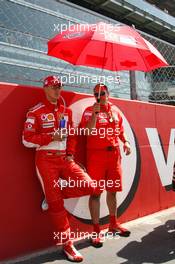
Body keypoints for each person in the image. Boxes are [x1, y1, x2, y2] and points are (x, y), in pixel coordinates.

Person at [22, 75, 97, 262]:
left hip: (65, 159)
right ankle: (68, 245)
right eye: (54, 87)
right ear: (45, 88)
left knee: (91, 186)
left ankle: (53, 194)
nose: (57, 90)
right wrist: (50, 138)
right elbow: (26, 139)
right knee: (56, 206)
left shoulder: (66, 111)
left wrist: (70, 153)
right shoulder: (35, 111)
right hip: (46, 160)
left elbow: (72, 135)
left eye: (60, 87)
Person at [80, 83, 131, 247]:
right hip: (96, 156)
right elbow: (87, 132)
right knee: (95, 193)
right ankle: (96, 230)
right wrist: (95, 115)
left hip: (114, 155)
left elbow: (120, 131)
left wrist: (126, 142)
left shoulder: (115, 111)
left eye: (102, 93)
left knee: (113, 191)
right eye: (96, 94)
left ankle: (113, 224)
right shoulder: (89, 111)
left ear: (108, 93)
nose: (99, 96)